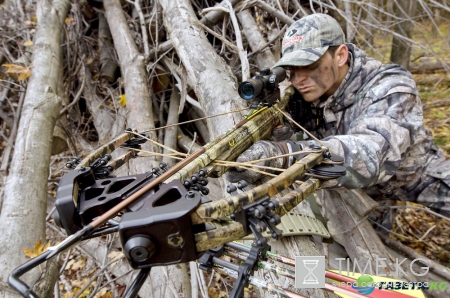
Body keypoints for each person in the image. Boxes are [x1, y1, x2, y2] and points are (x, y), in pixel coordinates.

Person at [226, 13, 450, 219]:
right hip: (358, 190)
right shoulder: (302, 93)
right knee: (369, 250)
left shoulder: (390, 86)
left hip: (415, 175)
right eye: (292, 70)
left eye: (309, 65)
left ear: (341, 55)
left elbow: (370, 157)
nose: (298, 79)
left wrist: (283, 154)